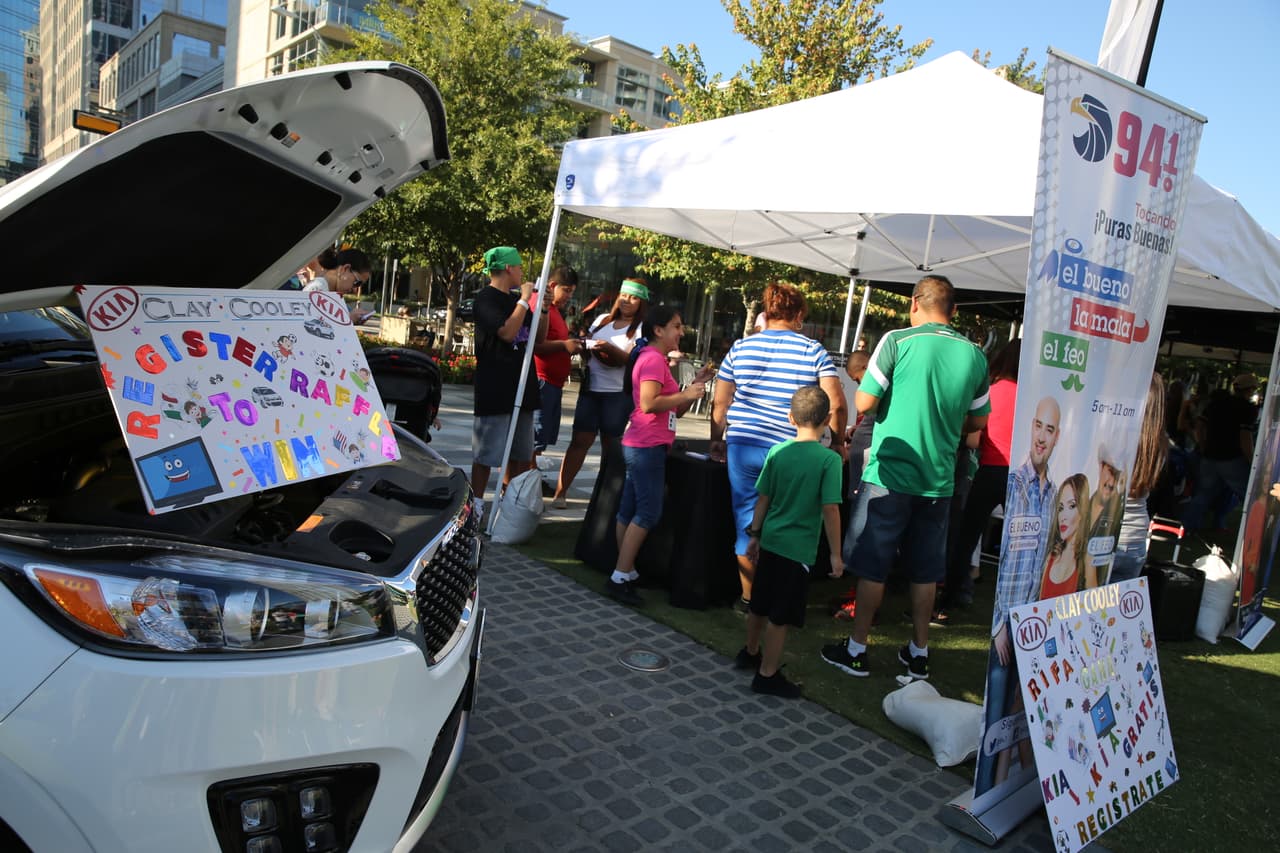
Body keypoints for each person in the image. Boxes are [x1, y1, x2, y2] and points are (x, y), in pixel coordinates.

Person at [819, 275, 989, 681]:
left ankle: (857, 649)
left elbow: (864, 400)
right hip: (940, 478)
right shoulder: (976, 356)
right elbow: (977, 423)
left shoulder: (897, 340)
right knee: (925, 570)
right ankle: (918, 652)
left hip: (891, 472)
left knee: (874, 565)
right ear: (953, 311)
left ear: (915, 303)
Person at [709, 281, 847, 612]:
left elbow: (721, 402)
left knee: (747, 518)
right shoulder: (812, 350)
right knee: (789, 520)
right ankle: (778, 595)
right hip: (790, 446)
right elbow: (837, 403)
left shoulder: (741, 348)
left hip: (744, 444)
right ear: (798, 314)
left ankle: (748, 598)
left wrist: (717, 439)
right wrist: (838, 441)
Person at [734, 386, 844, 698]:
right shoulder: (829, 460)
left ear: (790, 417)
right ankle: (767, 674)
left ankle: (750, 651)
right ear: (827, 419)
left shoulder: (777, 451)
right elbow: (831, 508)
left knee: (759, 603)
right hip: (798, 549)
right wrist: (836, 554)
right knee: (780, 614)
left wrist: (754, 535)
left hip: (771, 540)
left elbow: (762, 499)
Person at [974, 394, 1060, 794]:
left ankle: (1019, 785)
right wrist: (999, 626)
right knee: (996, 712)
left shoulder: (1056, 493)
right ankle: (989, 792)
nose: (1042, 436)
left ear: (1058, 437)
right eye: (1038, 426)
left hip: (1035, 622)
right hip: (1005, 624)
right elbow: (1009, 560)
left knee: (1024, 709)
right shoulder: (1015, 483)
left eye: (1050, 429)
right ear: (1030, 428)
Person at [608, 306, 707, 605]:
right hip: (646, 445)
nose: (681, 332)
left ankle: (625, 570)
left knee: (629, 509)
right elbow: (650, 404)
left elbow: (673, 408)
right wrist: (687, 395)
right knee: (648, 512)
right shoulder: (652, 359)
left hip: (644, 443)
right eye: (676, 326)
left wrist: (691, 389)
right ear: (658, 330)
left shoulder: (656, 360)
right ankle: (620, 575)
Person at [552, 279, 649, 509]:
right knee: (579, 442)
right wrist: (584, 347)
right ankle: (560, 492)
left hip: (617, 395)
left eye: (633, 297)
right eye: (623, 295)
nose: (626, 301)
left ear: (642, 302)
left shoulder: (642, 327)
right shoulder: (602, 320)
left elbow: (635, 362)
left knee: (611, 446)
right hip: (591, 390)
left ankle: (605, 498)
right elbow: (589, 350)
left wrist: (609, 349)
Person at [941, 339, 1021, 612]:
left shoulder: (992, 392)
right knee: (1022, 544)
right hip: (1021, 476)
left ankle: (953, 595)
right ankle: (1018, 603)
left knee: (967, 538)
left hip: (990, 470)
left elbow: (973, 441)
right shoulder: (1031, 397)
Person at [469, 246, 545, 502]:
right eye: (520, 266)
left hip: (523, 387)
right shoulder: (485, 299)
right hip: (496, 388)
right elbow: (507, 332)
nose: (523, 272)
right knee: (486, 455)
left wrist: (541, 306)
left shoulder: (517, 301)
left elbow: (538, 338)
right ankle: (476, 505)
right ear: (509, 268)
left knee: (522, 454)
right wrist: (523, 300)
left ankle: (511, 501)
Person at [1111, 373, 1169, 583]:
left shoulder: (1115, 435)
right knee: (1114, 613)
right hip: (1136, 538)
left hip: (1107, 537)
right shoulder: (1160, 444)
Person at [1182, 373, 1258, 530]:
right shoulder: (1248, 409)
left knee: (1203, 494)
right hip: (1232, 459)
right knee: (1249, 495)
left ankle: (1187, 527)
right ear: (1250, 390)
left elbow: (1200, 425)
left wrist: (1202, 444)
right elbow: (1245, 438)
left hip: (1210, 456)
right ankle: (1253, 531)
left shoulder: (1217, 404)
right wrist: (1252, 460)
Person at [530, 267, 583, 465]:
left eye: (572, 292)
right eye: (567, 290)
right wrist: (564, 345)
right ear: (552, 285)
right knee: (533, 439)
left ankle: (530, 478)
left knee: (540, 439)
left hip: (552, 383)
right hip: (541, 380)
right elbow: (534, 344)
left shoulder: (554, 311)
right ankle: (523, 482)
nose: (569, 296)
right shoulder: (541, 307)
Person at [1038, 473, 1091, 598]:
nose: (1063, 516)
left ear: (1083, 510)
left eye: (1072, 506)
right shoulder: (1051, 557)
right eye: (1061, 508)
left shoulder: (1087, 561)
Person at [304, 247, 375, 324]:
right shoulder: (316, 289)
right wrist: (348, 319)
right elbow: (309, 326)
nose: (355, 289)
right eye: (357, 283)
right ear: (345, 269)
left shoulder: (333, 294)